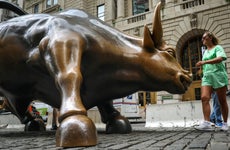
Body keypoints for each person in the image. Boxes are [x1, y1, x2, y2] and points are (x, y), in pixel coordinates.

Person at [195, 31, 229, 131]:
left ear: (210, 38)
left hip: (218, 76)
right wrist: (201, 70)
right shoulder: (205, 51)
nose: (202, 40)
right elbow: (205, 65)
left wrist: (204, 62)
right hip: (207, 77)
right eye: (202, 38)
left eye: (204, 38)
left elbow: (220, 58)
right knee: (204, 98)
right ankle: (207, 122)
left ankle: (225, 123)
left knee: (222, 101)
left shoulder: (218, 48)